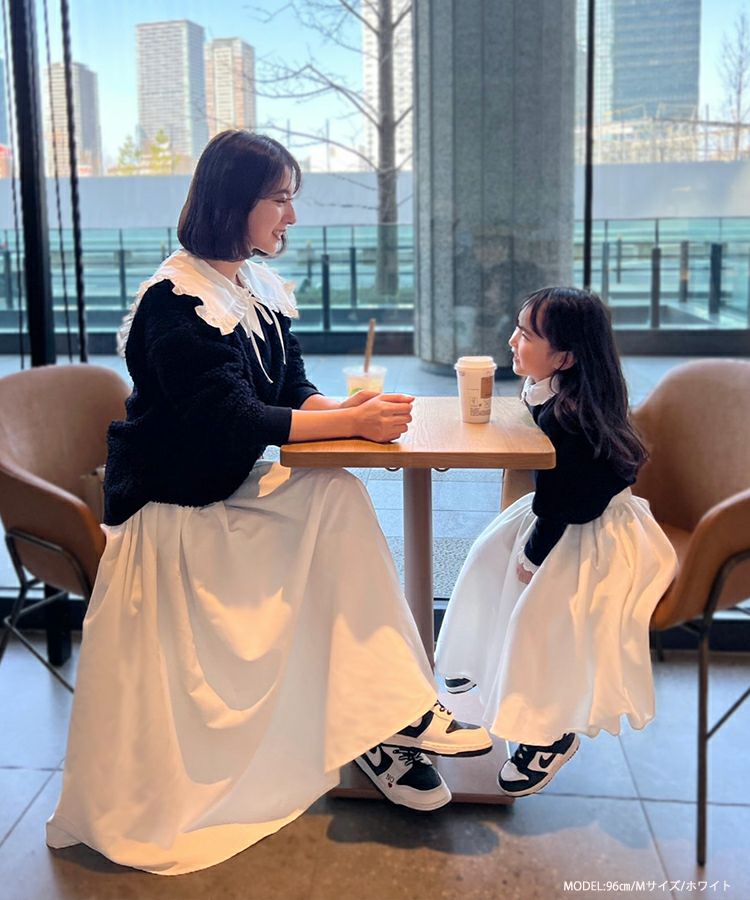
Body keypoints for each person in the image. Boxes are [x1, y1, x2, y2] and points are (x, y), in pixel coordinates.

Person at [46, 131, 492, 876]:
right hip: (173, 512)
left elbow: (290, 391)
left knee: (337, 494)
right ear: (234, 203)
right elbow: (231, 418)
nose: (291, 215)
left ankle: (391, 715)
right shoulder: (173, 303)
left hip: (220, 490)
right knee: (334, 500)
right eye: (280, 199)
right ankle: (389, 722)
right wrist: (352, 423)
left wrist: (353, 409)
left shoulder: (250, 287)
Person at [435, 286, 678, 797]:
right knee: (486, 557)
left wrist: (534, 555)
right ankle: (475, 661)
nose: (512, 341)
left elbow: (570, 503)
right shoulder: (557, 391)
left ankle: (550, 734)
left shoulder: (574, 418)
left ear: (565, 357)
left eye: (526, 335)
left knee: (540, 613)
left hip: (594, 531)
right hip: (563, 513)